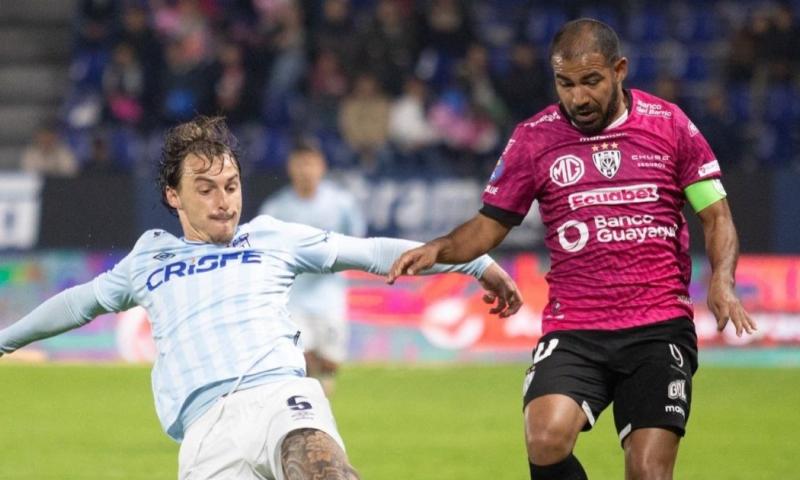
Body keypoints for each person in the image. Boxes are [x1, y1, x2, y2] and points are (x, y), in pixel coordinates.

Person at [0, 115, 521, 480]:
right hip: (205, 432)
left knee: (322, 467)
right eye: (206, 189)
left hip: (280, 398)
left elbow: (373, 251)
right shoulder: (148, 259)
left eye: (231, 185)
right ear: (173, 196)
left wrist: (474, 259)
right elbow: (77, 303)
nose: (224, 202)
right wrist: (4, 342)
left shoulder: (272, 236)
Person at [388, 19, 757, 480]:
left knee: (648, 472)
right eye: (565, 83)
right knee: (544, 439)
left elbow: (715, 215)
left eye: (591, 81)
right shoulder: (533, 139)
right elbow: (489, 227)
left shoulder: (670, 126)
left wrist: (721, 282)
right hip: (577, 326)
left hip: (658, 326)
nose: (578, 97)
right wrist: (440, 248)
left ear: (619, 70)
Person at [259, 142, 366, 396]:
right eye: (300, 163)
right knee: (302, 363)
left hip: (330, 297)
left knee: (330, 364)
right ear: (290, 168)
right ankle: (311, 413)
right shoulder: (276, 209)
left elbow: (357, 241)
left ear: (321, 166)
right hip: (292, 300)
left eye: (311, 163)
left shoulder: (342, 203)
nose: (306, 170)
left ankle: (320, 401)